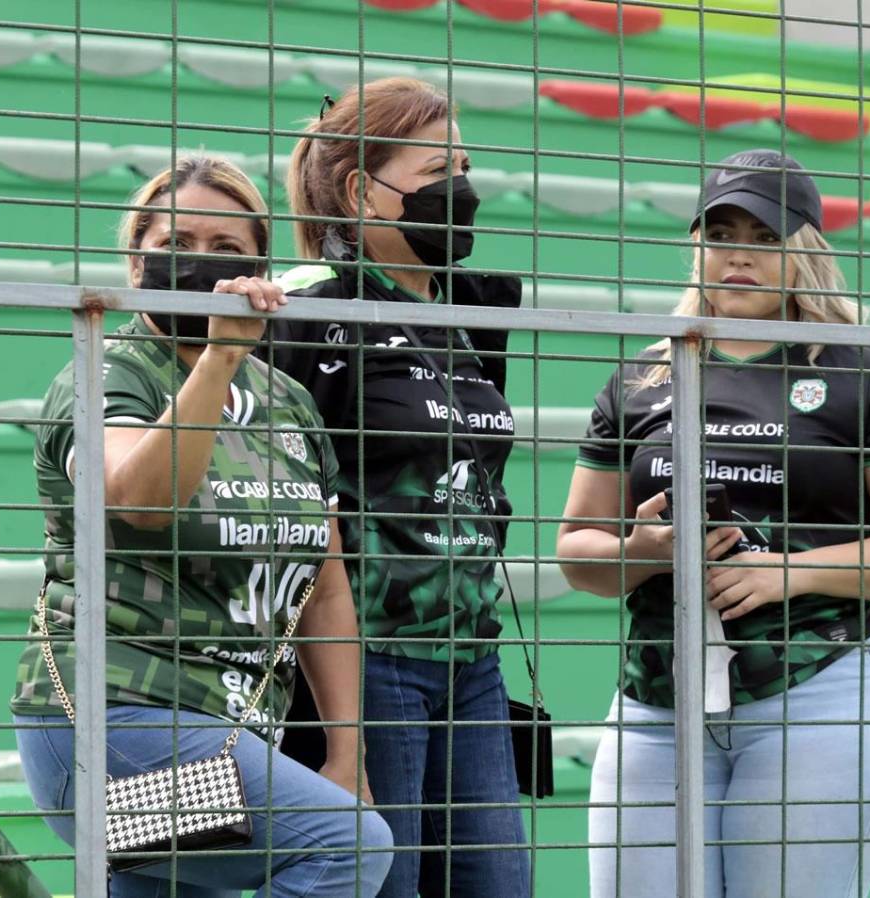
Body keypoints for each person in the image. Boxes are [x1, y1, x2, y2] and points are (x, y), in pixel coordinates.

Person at [557, 149, 870, 898]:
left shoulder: (859, 371)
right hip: (655, 705)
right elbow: (578, 551)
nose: (738, 254)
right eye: (721, 233)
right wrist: (648, 550)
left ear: (803, 250)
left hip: (819, 698)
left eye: (764, 237)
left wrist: (787, 572)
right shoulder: (642, 376)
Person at [11, 155, 393, 897]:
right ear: (136, 258)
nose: (204, 265)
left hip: (229, 736)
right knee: (346, 848)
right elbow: (141, 497)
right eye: (181, 244)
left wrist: (347, 753)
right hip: (107, 737)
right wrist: (220, 354)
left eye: (229, 251)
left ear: (260, 270)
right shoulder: (109, 368)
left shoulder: (285, 397)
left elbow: (324, 586)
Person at [263, 78, 528, 898]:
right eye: (439, 167)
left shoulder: (474, 313)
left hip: (472, 657)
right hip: (367, 656)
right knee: (385, 885)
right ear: (360, 191)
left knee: (499, 886)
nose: (464, 188)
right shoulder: (308, 313)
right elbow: (287, 501)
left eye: (467, 164)